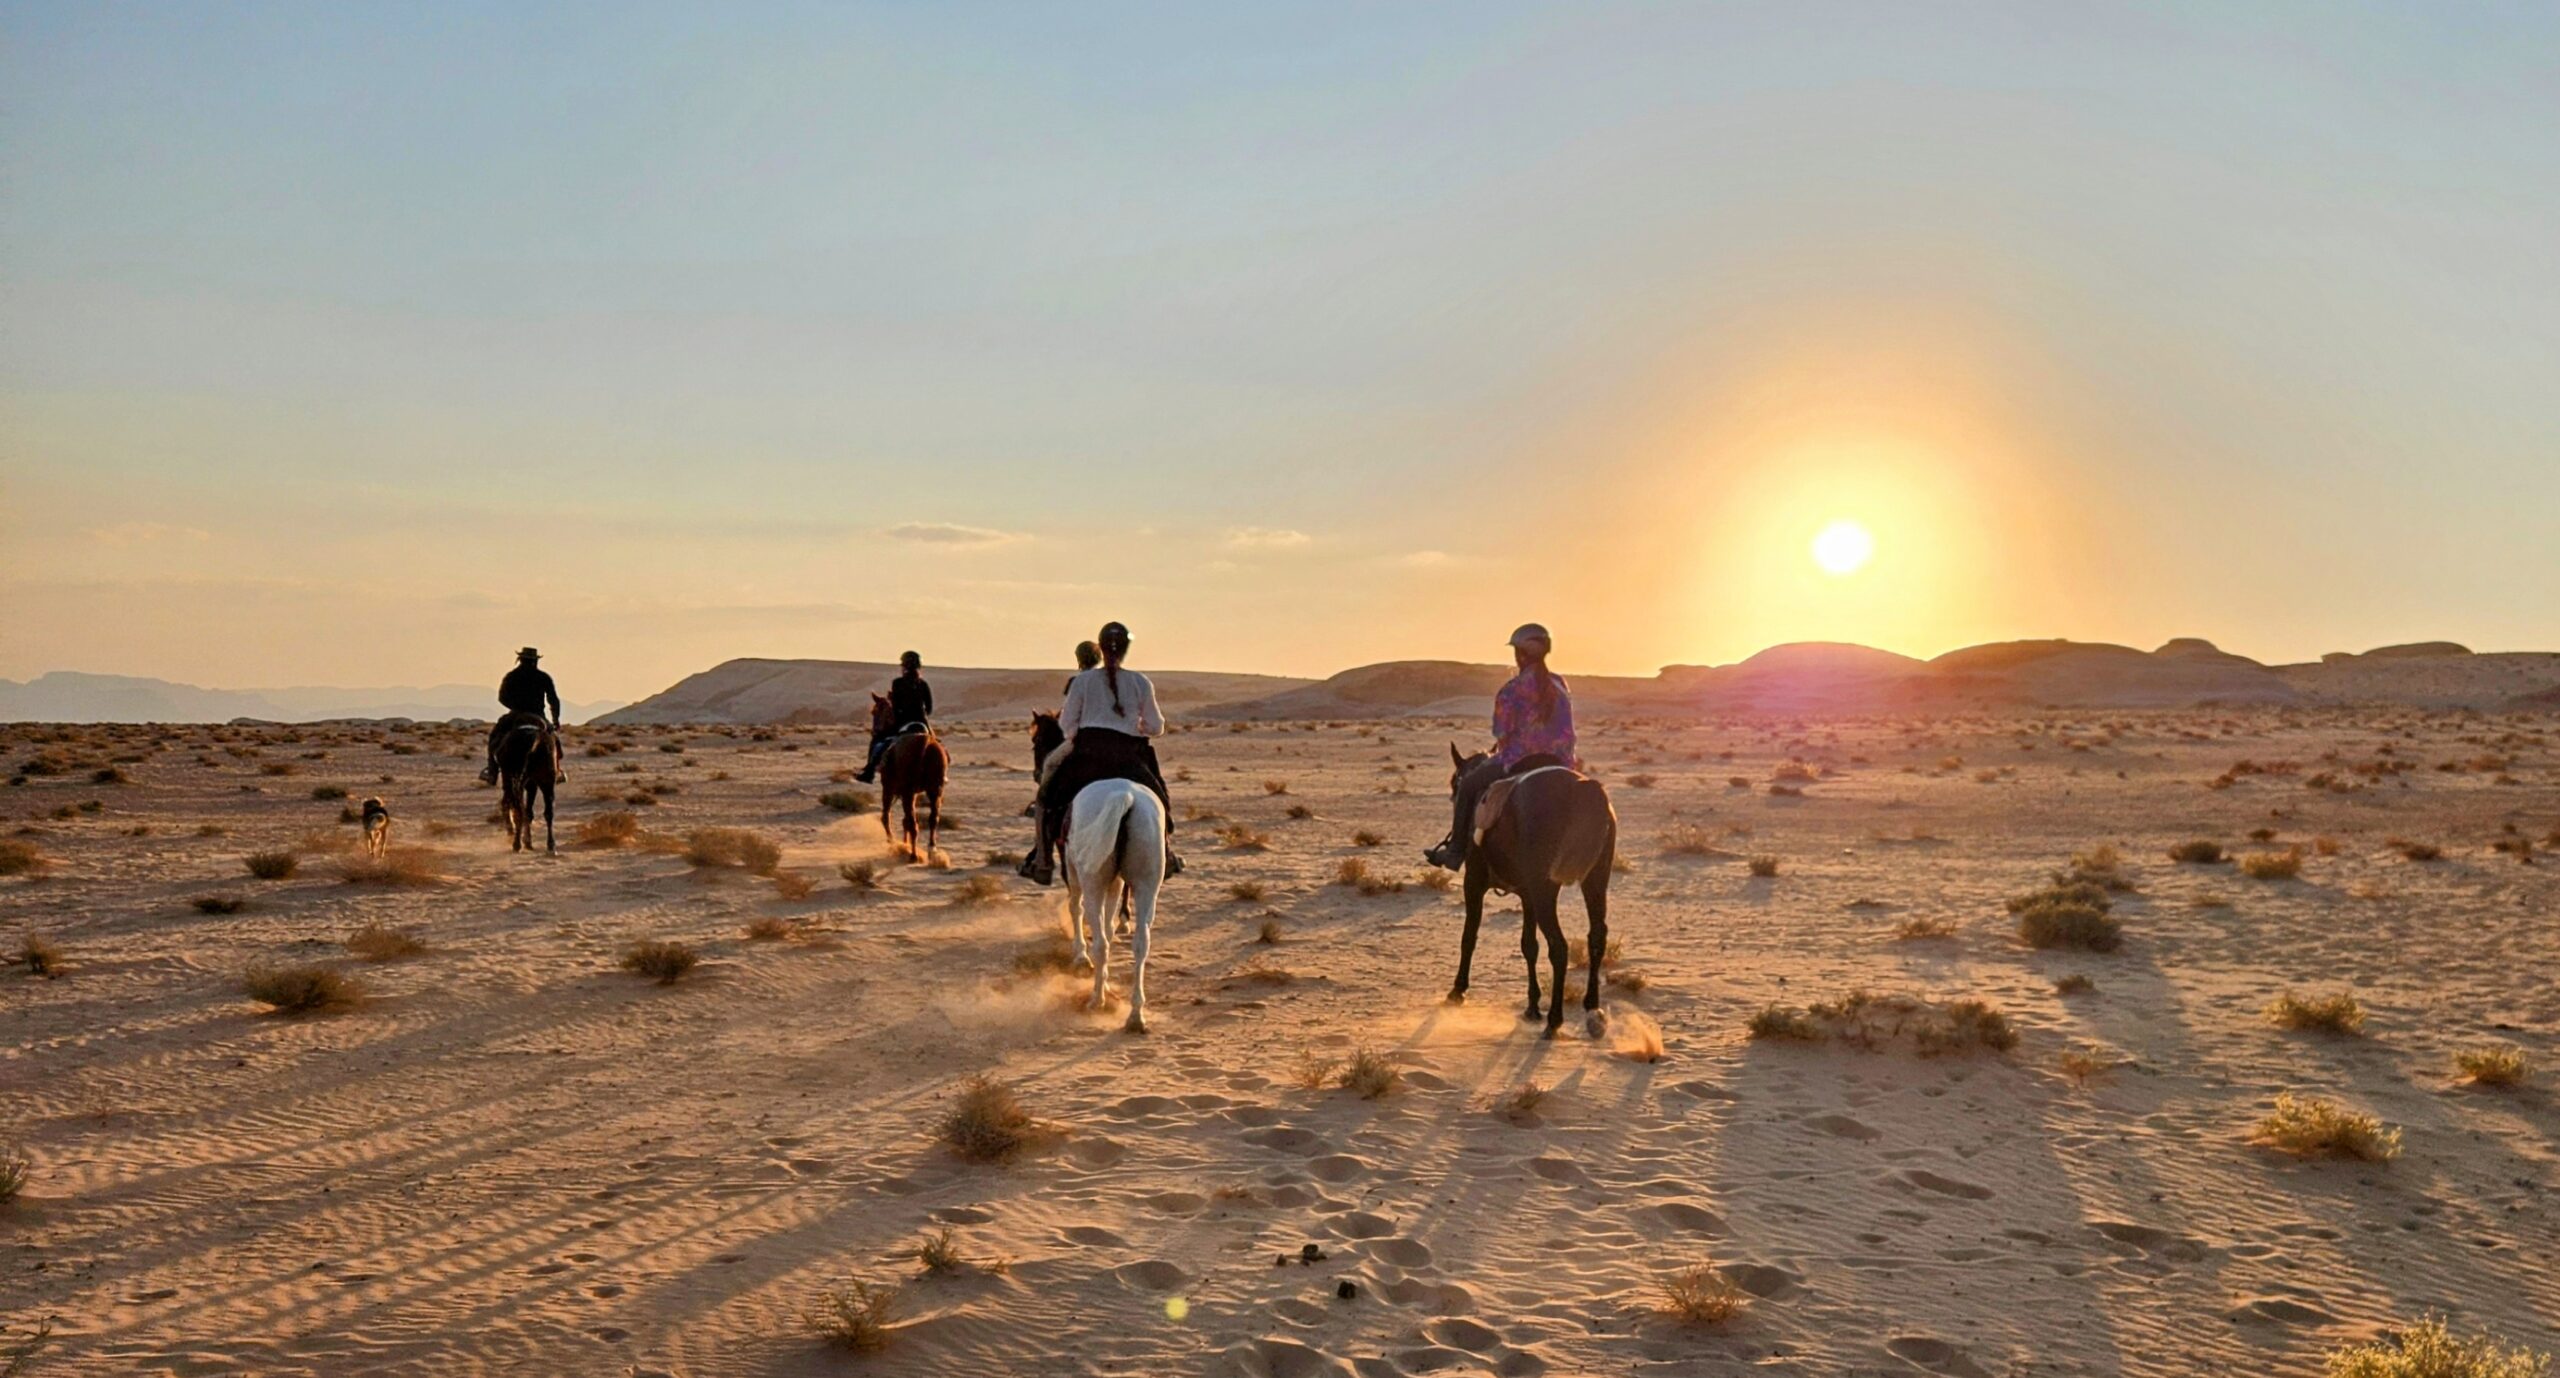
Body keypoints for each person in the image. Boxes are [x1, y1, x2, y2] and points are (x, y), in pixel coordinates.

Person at [1019, 621, 1182, 885]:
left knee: (1046, 794)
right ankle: (1167, 852)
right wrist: (1134, 729)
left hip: (1087, 753)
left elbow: (1066, 724)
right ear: (1126, 649)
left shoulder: (1081, 682)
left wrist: (1080, 734)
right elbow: (1156, 727)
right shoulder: (1141, 681)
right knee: (1160, 799)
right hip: (1130, 756)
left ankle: (1043, 860)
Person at [1425, 624, 1579, 869]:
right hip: (1563, 763)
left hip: (1519, 760)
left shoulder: (1510, 690)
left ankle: (1455, 852)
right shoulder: (1560, 684)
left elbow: (1501, 733)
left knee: (1467, 786)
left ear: (1520, 654)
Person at [481, 647, 563, 785]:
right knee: (554, 741)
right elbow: (553, 700)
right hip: (538, 715)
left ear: (521, 659)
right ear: (535, 661)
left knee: (494, 737)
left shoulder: (511, 676)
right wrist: (556, 720)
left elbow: (502, 697)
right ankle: (556, 771)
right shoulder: (543, 677)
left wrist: (515, 707)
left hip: (516, 714)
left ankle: (492, 771)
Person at [856, 651, 933, 783]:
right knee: (937, 745)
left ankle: (869, 772)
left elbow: (896, 706)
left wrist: (899, 716)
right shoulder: (923, 684)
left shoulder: (897, 683)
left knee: (878, 741)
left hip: (903, 722)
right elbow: (929, 708)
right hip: (922, 723)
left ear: (904, 666)